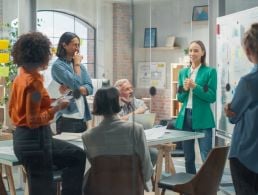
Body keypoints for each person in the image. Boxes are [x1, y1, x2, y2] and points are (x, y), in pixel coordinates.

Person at [9, 32, 86, 195]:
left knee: (76, 156)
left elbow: (19, 110)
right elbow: (33, 119)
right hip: (35, 141)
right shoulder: (33, 82)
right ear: (40, 54)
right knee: (45, 188)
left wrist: (51, 102)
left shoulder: (21, 77)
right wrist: (57, 107)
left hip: (25, 139)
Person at [82, 87, 153, 193]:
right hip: (132, 188)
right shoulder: (135, 130)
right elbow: (146, 166)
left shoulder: (88, 136)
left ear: (96, 105)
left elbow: (93, 170)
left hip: (102, 189)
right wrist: (144, 184)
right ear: (118, 102)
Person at [224, 23, 258, 195]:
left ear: (248, 51)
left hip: (245, 155)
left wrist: (229, 109)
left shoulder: (248, 81)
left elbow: (233, 116)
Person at [175, 40, 217, 174]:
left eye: (196, 50)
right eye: (191, 50)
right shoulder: (183, 72)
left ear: (203, 53)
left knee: (206, 156)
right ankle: (190, 187)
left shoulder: (210, 72)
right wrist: (185, 89)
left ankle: (208, 188)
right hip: (185, 117)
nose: (192, 53)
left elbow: (211, 96)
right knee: (188, 157)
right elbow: (179, 97)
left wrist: (195, 87)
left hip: (203, 118)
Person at [51, 32, 93, 133]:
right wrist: (77, 64)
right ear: (64, 45)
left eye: (78, 45)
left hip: (82, 116)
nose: (77, 48)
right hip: (66, 117)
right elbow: (77, 85)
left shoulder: (80, 66)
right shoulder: (58, 66)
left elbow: (90, 88)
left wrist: (77, 89)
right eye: (75, 44)